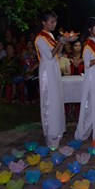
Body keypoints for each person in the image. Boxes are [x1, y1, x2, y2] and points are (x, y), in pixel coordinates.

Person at [35, 11, 69, 148]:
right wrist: (60, 42)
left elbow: (58, 52)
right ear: (44, 22)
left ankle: (58, 131)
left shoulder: (50, 36)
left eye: (55, 21)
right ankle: (51, 134)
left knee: (57, 99)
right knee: (50, 100)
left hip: (54, 68)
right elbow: (49, 55)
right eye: (51, 22)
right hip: (47, 71)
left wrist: (62, 42)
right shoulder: (40, 38)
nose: (54, 24)